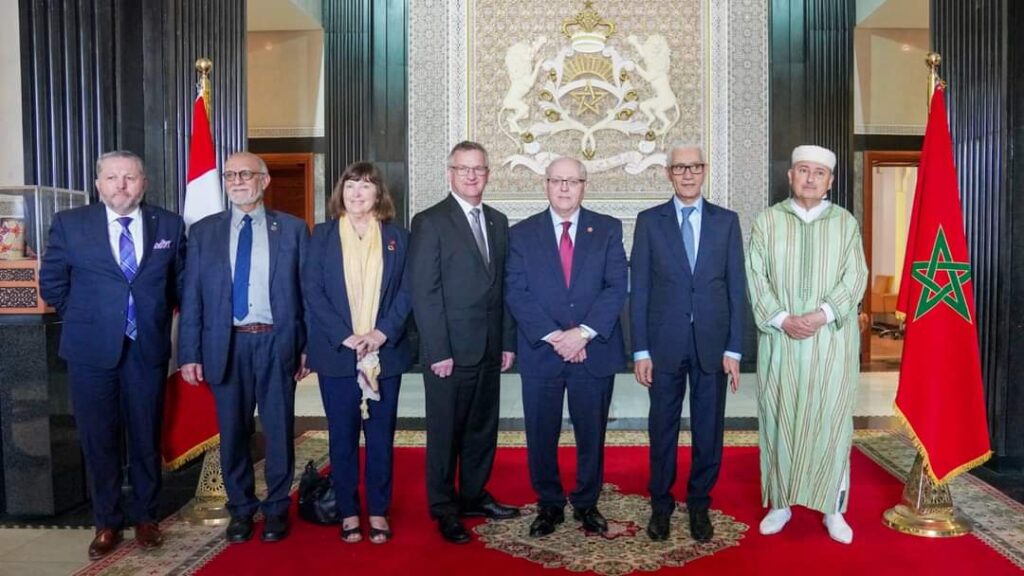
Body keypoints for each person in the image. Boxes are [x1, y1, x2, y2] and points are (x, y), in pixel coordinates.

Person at [39, 150, 185, 560]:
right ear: (98, 184)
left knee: (145, 436)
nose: (121, 185)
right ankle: (106, 521)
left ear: (144, 183)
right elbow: (53, 282)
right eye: (112, 177)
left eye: (130, 177)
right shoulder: (70, 224)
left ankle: (146, 517)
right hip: (90, 351)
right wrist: (88, 318)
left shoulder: (169, 225)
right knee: (98, 438)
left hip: (147, 348)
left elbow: (179, 285)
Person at [178, 151, 309, 544]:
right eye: (230, 175)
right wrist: (189, 352)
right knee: (233, 432)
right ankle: (241, 509)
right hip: (226, 344)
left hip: (276, 342)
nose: (236, 181)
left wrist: (308, 347)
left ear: (263, 181)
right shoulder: (204, 232)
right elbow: (192, 296)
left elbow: (307, 294)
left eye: (245, 174)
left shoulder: (292, 229)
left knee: (279, 430)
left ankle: (276, 509)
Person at [746, 145, 868, 544]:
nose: (810, 178)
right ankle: (780, 504)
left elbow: (855, 277)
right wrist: (782, 319)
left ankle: (833, 508)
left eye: (819, 172)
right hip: (781, 342)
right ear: (790, 176)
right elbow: (756, 276)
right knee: (779, 417)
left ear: (830, 180)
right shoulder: (767, 221)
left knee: (831, 422)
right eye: (803, 170)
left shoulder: (845, 223)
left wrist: (822, 315)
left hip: (830, 342)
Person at [630, 143, 746, 542]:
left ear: (704, 169)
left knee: (708, 430)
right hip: (663, 345)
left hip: (713, 345)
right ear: (669, 174)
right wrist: (640, 349)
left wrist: (734, 348)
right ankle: (661, 505)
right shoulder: (650, 222)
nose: (688, 174)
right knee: (662, 428)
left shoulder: (726, 222)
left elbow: (736, 288)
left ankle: (699, 504)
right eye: (680, 168)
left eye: (695, 166)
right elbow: (639, 290)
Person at [505, 157, 627, 537]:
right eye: (557, 180)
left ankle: (587, 502)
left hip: (593, 351)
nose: (563, 188)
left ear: (584, 186)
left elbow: (616, 286)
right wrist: (557, 337)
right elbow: (516, 291)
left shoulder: (607, 229)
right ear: (545, 184)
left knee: (591, 433)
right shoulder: (521, 233)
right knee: (541, 433)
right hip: (542, 352)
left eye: (572, 181)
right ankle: (549, 504)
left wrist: (583, 333)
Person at [409, 140, 519, 544]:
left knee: (481, 428)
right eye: (464, 169)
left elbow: (503, 287)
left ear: (487, 174)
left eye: (478, 169)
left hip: (489, 348)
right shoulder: (430, 221)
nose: (472, 176)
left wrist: (507, 341)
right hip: (449, 353)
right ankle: (443, 507)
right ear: (450, 173)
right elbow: (425, 292)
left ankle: (473, 495)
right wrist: (437, 350)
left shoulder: (498, 221)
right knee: (445, 433)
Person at [303, 162, 412, 544]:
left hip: (384, 354)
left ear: (378, 193)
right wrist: (346, 336)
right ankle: (348, 510)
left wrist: (381, 333)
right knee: (342, 437)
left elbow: (408, 292)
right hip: (338, 354)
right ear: (341, 192)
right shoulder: (322, 235)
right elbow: (312, 290)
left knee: (381, 438)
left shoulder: (398, 237)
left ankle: (378, 509)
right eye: (350, 185)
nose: (356, 193)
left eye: (365, 186)